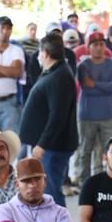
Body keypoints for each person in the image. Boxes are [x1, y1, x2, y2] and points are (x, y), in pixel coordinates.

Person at [18, 36, 77, 208]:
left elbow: (58, 116)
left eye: (39, 53)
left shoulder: (60, 76)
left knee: (51, 191)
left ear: (45, 53)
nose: (38, 57)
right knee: (47, 190)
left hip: (53, 146)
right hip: (49, 144)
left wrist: (42, 144)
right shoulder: (54, 72)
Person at [74, 32, 112, 189]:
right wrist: (104, 87)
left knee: (111, 150)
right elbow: (86, 87)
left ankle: (108, 181)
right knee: (85, 150)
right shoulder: (83, 66)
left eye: (102, 44)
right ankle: (84, 182)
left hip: (108, 114)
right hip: (87, 114)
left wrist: (95, 84)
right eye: (95, 45)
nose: (99, 48)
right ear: (88, 47)